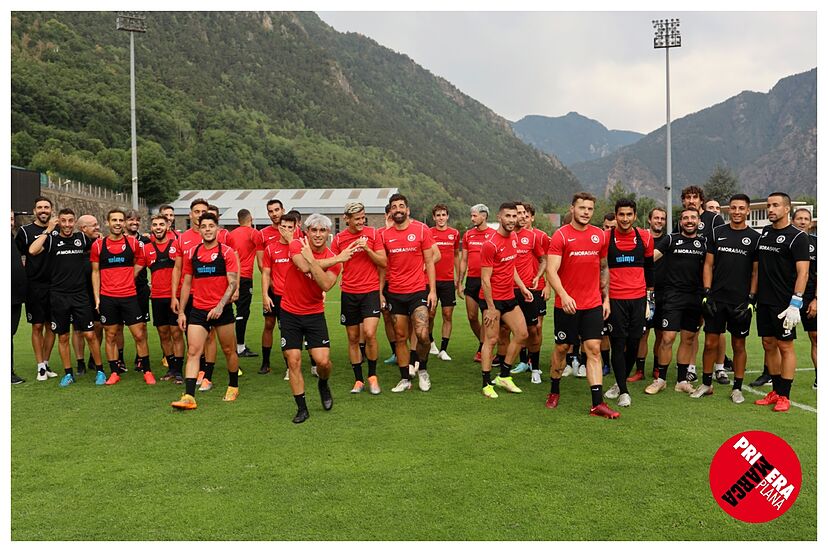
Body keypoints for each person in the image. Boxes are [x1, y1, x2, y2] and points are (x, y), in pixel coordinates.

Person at [545, 192, 618, 418]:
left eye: (589, 209)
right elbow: (551, 271)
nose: (586, 212)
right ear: (572, 209)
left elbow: (604, 267)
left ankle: (597, 403)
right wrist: (564, 295)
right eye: (582, 208)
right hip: (566, 305)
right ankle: (554, 390)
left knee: (593, 349)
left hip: (593, 304)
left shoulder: (599, 235)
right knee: (562, 348)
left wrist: (605, 297)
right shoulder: (561, 236)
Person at [693, 194, 759, 404]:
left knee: (739, 345)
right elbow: (708, 265)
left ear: (747, 210)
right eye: (733, 208)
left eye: (741, 208)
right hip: (717, 299)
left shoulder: (755, 238)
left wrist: (751, 300)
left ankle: (737, 388)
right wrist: (706, 293)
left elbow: (756, 273)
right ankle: (706, 384)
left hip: (740, 301)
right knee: (711, 343)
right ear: (727, 210)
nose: (737, 211)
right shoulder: (717, 233)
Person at [171, 212, 241, 410]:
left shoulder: (226, 252)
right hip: (198, 310)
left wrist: (220, 306)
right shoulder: (192, 253)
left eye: (211, 226)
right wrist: (182, 312)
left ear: (217, 229)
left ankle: (233, 385)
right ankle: (189, 396)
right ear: (199, 229)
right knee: (193, 351)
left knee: (228, 350)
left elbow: (233, 283)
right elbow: (186, 284)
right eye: (204, 226)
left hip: (222, 310)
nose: (208, 229)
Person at [28, 208, 104, 387]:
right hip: (58, 296)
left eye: (71, 221)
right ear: (59, 222)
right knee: (62, 337)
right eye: (64, 221)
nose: (67, 225)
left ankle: (100, 370)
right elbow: (32, 250)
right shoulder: (52, 239)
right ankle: (68, 373)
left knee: (90, 334)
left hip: (80, 295)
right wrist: (48, 230)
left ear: (75, 222)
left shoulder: (82, 238)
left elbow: (99, 240)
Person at [281, 214, 344, 423]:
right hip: (290, 312)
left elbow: (326, 284)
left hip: (314, 314)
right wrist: (336, 258)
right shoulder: (296, 244)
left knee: (323, 362)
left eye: (322, 230)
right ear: (306, 232)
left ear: (328, 233)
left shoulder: (335, 261)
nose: (317, 234)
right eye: (314, 230)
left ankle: (323, 384)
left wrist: (320, 259)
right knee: (294, 361)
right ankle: (302, 408)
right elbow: (304, 266)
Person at [753, 192, 811, 412]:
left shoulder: (798, 237)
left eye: (775, 205)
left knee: (785, 346)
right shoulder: (765, 233)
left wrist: (796, 302)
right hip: (765, 301)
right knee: (768, 344)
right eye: (768, 205)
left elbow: (803, 272)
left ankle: (785, 396)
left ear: (787, 209)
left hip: (785, 303)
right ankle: (775, 391)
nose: (770, 209)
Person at [380, 193, 438, 392]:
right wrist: (380, 292)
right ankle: (405, 378)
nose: (398, 209)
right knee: (400, 336)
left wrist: (433, 291)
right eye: (394, 206)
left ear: (408, 210)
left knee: (422, 334)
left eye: (401, 206)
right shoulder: (384, 235)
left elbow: (430, 261)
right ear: (391, 212)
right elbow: (382, 267)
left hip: (418, 291)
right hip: (395, 293)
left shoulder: (421, 230)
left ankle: (422, 369)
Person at [646, 208, 706, 395]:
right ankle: (661, 379)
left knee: (688, 339)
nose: (689, 221)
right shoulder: (671, 239)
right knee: (667, 338)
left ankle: (681, 380)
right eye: (685, 218)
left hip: (695, 298)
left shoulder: (704, 243)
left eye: (693, 218)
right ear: (680, 221)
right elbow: (650, 260)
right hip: (673, 297)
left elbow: (711, 268)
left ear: (698, 221)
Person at [601, 198, 654, 409]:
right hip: (615, 300)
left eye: (629, 214)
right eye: (621, 215)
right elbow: (601, 268)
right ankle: (623, 390)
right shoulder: (606, 238)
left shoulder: (644, 237)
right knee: (618, 344)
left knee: (634, 343)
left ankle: (618, 381)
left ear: (634, 215)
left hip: (638, 299)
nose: (624, 219)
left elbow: (650, 269)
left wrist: (649, 298)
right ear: (616, 216)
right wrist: (604, 297)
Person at [90, 208, 153, 385]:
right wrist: (97, 297)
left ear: (124, 223)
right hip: (108, 297)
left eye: (120, 220)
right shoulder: (98, 245)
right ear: (107, 223)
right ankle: (115, 372)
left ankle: (147, 371)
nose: (117, 223)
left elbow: (142, 260)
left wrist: (129, 276)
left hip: (129, 296)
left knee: (139, 335)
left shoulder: (133, 243)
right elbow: (95, 273)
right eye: (114, 220)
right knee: (110, 335)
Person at [331, 202, 386, 394]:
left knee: (369, 333)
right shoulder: (339, 239)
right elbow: (332, 264)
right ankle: (358, 380)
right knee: (353, 338)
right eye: (357, 219)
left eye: (363, 217)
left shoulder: (373, 234)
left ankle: (372, 376)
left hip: (370, 292)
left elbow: (384, 262)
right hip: (349, 293)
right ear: (347, 219)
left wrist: (368, 250)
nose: (362, 221)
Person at [478, 202, 533, 398]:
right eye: (508, 216)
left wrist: (523, 288)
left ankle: (504, 375)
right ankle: (486, 383)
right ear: (500, 218)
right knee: (491, 340)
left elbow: (512, 267)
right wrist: (491, 308)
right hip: (492, 300)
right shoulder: (490, 244)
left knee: (522, 333)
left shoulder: (515, 237)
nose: (512, 220)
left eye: (514, 216)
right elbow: (485, 279)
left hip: (509, 296)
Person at [676, 186, 727, 383]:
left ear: (701, 200)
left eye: (694, 197)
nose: (691, 201)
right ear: (683, 201)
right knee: (693, 328)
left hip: (713, 282)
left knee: (717, 328)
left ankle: (720, 368)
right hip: (691, 283)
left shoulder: (713, 219)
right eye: (687, 197)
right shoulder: (683, 220)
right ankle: (690, 367)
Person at [14, 196, 57, 380]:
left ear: (51, 210)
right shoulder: (25, 231)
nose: (43, 210)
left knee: (52, 327)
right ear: (34, 211)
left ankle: (46, 364)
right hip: (34, 286)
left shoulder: (58, 231)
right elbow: (18, 256)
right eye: (40, 207)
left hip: (56, 286)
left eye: (46, 207)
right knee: (37, 325)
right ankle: (40, 367)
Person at [510, 201, 547, 384]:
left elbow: (545, 259)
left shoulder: (534, 237)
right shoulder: (504, 236)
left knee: (534, 329)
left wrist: (541, 280)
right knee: (514, 329)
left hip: (532, 290)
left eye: (524, 213)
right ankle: (517, 363)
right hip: (508, 290)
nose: (521, 216)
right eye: (518, 213)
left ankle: (535, 366)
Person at [145, 214, 186, 384]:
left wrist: (177, 295)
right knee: (163, 334)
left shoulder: (176, 245)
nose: (158, 227)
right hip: (157, 298)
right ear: (151, 228)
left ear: (167, 226)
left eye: (161, 224)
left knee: (176, 333)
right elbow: (137, 269)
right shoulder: (147, 248)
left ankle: (178, 371)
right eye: (155, 224)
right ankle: (171, 367)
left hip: (174, 298)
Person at [261, 213, 299, 378]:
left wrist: (292, 243)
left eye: (290, 227)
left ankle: (296, 365)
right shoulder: (271, 248)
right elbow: (265, 273)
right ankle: (271, 363)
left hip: (295, 296)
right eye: (284, 227)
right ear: (279, 227)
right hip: (276, 295)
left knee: (292, 331)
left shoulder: (299, 246)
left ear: (295, 228)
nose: (286, 230)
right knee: (274, 327)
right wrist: (264, 295)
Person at [457, 204, 496, 362]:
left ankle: (483, 349)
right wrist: (459, 282)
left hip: (487, 281)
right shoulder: (468, 235)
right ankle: (483, 343)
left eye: (474, 216)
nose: (472, 218)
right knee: (472, 317)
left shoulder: (494, 235)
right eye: (471, 215)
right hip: (472, 281)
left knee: (486, 318)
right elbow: (464, 259)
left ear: (484, 216)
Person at [633, 207, 668, 382]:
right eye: (656, 218)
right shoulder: (641, 239)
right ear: (649, 220)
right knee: (643, 333)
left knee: (661, 334)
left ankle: (657, 368)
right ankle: (639, 370)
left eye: (662, 218)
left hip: (665, 294)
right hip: (645, 293)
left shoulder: (669, 241)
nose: (659, 221)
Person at [229, 208, 263, 358]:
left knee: (230, 312)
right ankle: (240, 347)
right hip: (244, 277)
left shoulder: (231, 234)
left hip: (229, 277)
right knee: (243, 311)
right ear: (251, 219)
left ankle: (233, 345)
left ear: (238, 220)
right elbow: (263, 249)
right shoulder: (253, 233)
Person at [428, 204, 460, 361]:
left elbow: (455, 255)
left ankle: (443, 349)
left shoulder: (454, 234)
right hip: (430, 281)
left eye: (443, 215)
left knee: (447, 314)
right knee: (430, 314)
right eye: (438, 215)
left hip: (447, 281)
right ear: (434, 217)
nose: (441, 218)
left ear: (447, 216)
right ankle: (430, 342)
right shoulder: (428, 233)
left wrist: (458, 276)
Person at [791, 208, 817, 389]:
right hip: (786, 295)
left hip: (810, 296)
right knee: (777, 339)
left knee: (816, 337)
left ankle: (820, 377)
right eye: (799, 218)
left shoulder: (819, 243)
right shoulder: (786, 239)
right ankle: (769, 373)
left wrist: (817, 299)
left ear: (811, 223)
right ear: (792, 220)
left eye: (806, 219)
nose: (802, 221)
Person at [77, 215, 104, 369]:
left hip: (97, 290)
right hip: (79, 291)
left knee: (99, 325)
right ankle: (80, 362)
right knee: (78, 329)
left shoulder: (100, 244)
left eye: (97, 224)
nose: (97, 227)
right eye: (93, 225)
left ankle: (94, 358)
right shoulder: (74, 244)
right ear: (83, 228)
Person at [12, 212, 27, 384]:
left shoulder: (12, 239)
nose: (10, 222)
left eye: (11, 219)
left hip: (15, 298)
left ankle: (9, 371)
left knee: (10, 334)